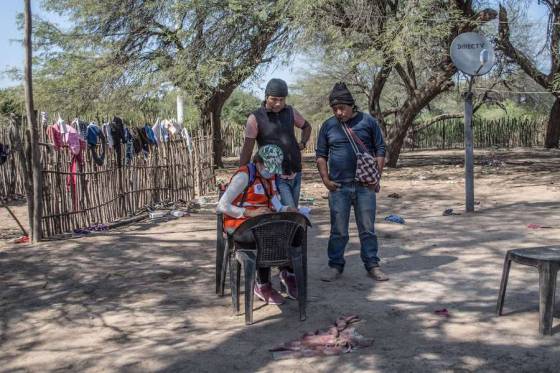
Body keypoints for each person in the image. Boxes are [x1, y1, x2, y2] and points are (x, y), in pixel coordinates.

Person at [315, 82, 388, 282]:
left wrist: (376, 177)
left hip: (365, 187)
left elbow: (380, 149)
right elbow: (321, 155)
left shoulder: (368, 121)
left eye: (342, 108)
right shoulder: (328, 125)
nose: (339, 112)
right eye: (335, 109)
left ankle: (372, 265)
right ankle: (335, 266)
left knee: (368, 229)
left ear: (352, 106)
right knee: (338, 230)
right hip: (339, 187)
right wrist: (326, 180)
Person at [217, 145, 299, 305]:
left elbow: (275, 202)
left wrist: (287, 209)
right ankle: (262, 285)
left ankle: (288, 273)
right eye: (268, 167)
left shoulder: (271, 178)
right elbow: (221, 206)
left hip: (262, 223)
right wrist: (248, 213)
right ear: (258, 162)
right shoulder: (244, 176)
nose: (271, 172)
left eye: (274, 169)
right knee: (265, 236)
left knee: (294, 230)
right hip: (239, 224)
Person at [239, 78, 312, 209]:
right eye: (274, 99)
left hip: (296, 171)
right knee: (290, 213)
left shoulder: (290, 112)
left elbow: (307, 126)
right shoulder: (255, 118)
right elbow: (247, 148)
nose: (278, 104)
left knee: (290, 213)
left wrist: (302, 143)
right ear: (266, 97)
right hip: (274, 175)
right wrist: (241, 173)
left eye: (282, 99)